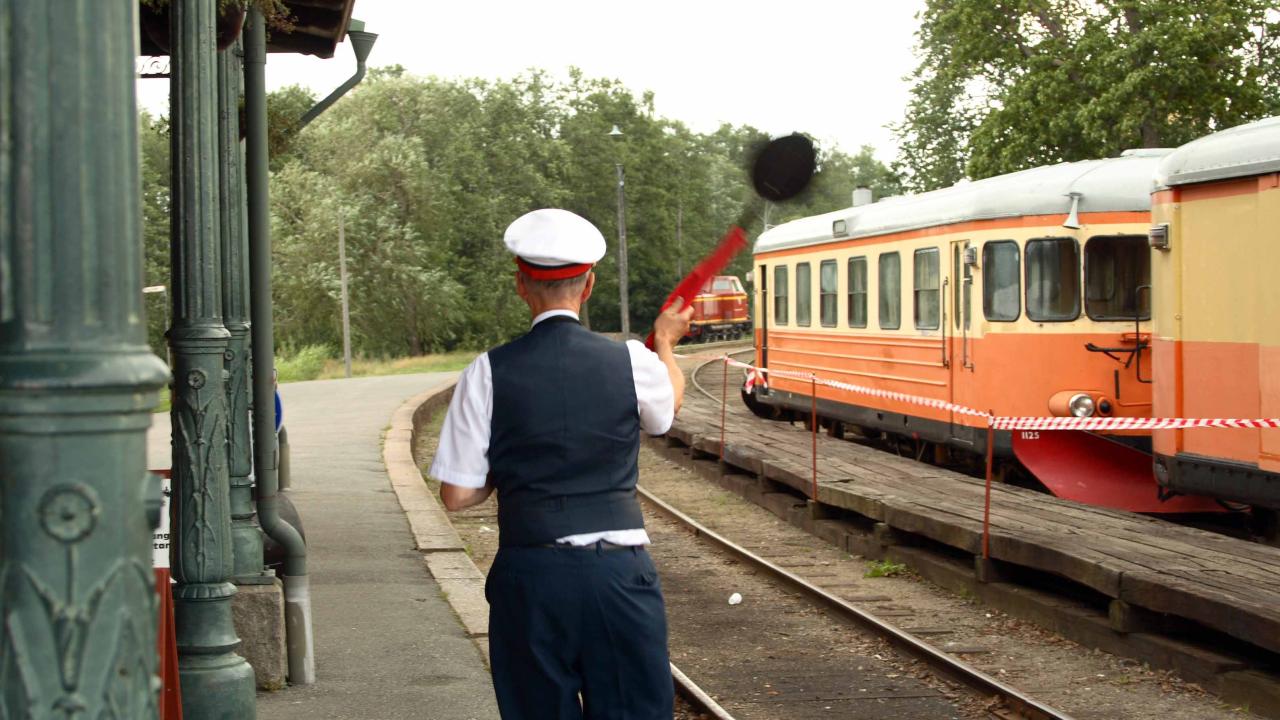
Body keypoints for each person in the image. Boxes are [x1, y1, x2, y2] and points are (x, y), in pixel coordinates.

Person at [429, 208, 694, 719]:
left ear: (520, 285)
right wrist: (665, 343)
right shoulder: (633, 361)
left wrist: (510, 468)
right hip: (618, 576)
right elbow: (666, 412)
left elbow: (457, 496)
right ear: (589, 284)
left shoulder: (486, 372)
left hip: (532, 577)